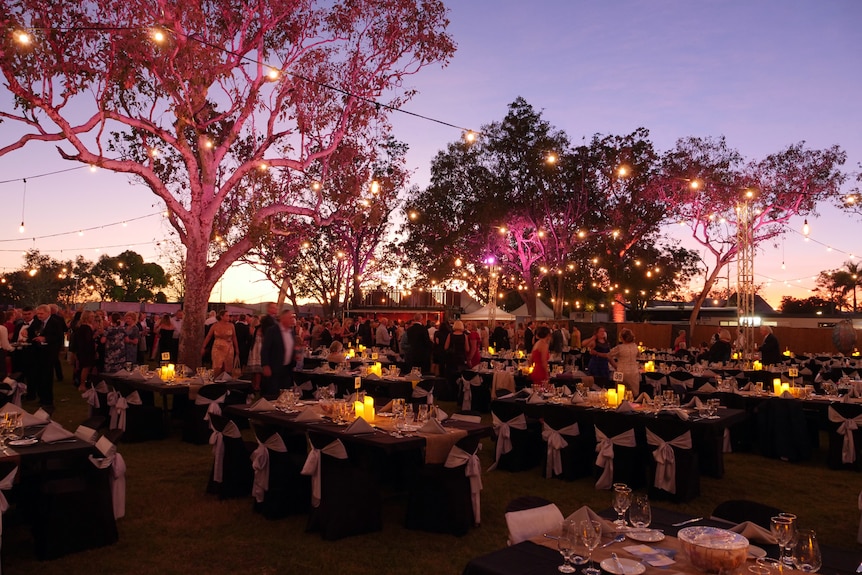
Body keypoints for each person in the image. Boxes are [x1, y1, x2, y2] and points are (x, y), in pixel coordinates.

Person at [261, 309, 297, 399]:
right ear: (283, 319)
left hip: (287, 368)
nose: (292, 320)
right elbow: (265, 349)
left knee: (285, 393)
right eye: (290, 318)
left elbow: (290, 346)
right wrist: (265, 365)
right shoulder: (272, 331)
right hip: (274, 367)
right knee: (273, 393)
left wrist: (294, 355)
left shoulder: (291, 332)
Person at [202, 309, 239, 378]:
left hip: (229, 347)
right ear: (222, 317)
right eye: (227, 316)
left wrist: (237, 348)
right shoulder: (215, 326)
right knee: (217, 366)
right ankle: (216, 380)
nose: (228, 317)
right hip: (217, 347)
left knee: (228, 366)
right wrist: (203, 347)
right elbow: (209, 336)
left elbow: (234, 337)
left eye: (229, 316)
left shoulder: (231, 325)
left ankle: (226, 381)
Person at [608, 328, 640, 395]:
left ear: (622, 338)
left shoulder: (619, 347)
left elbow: (609, 355)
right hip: (634, 372)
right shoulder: (635, 346)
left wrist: (615, 365)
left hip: (621, 371)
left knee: (619, 392)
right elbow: (638, 355)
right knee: (634, 393)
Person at [74, 310, 96, 391]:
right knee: (85, 368)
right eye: (91, 316)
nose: (93, 318)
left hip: (82, 350)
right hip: (86, 351)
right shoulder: (86, 328)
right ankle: (82, 384)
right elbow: (88, 340)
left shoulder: (81, 327)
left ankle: (83, 383)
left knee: (85, 367)